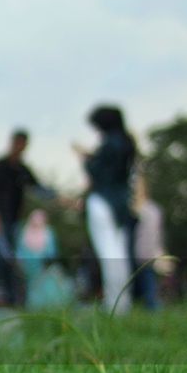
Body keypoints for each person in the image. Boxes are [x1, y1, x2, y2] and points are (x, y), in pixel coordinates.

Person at [0, 129, 56, 306]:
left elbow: (38, 188)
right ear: (13, 143)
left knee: (10, 259)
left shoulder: (21, 170)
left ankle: (11, 299)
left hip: (13, 220)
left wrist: (60, 197)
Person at [74, 105, 136, 314]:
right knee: (120, 253)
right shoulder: (128, 143)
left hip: (102, 200)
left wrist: (85, 159)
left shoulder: (108, 144)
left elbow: (97, 173)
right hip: (121, 202)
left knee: (109, 253)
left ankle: (113, 304)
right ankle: (122, 303)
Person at [132, 174, 165, 311]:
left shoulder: (144, 210)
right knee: (147, 280)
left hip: (143, 252)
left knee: (148, 280)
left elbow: (155, 234)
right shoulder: (152, 209)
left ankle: (151, 305)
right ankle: (150, 304)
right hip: (146, 252)